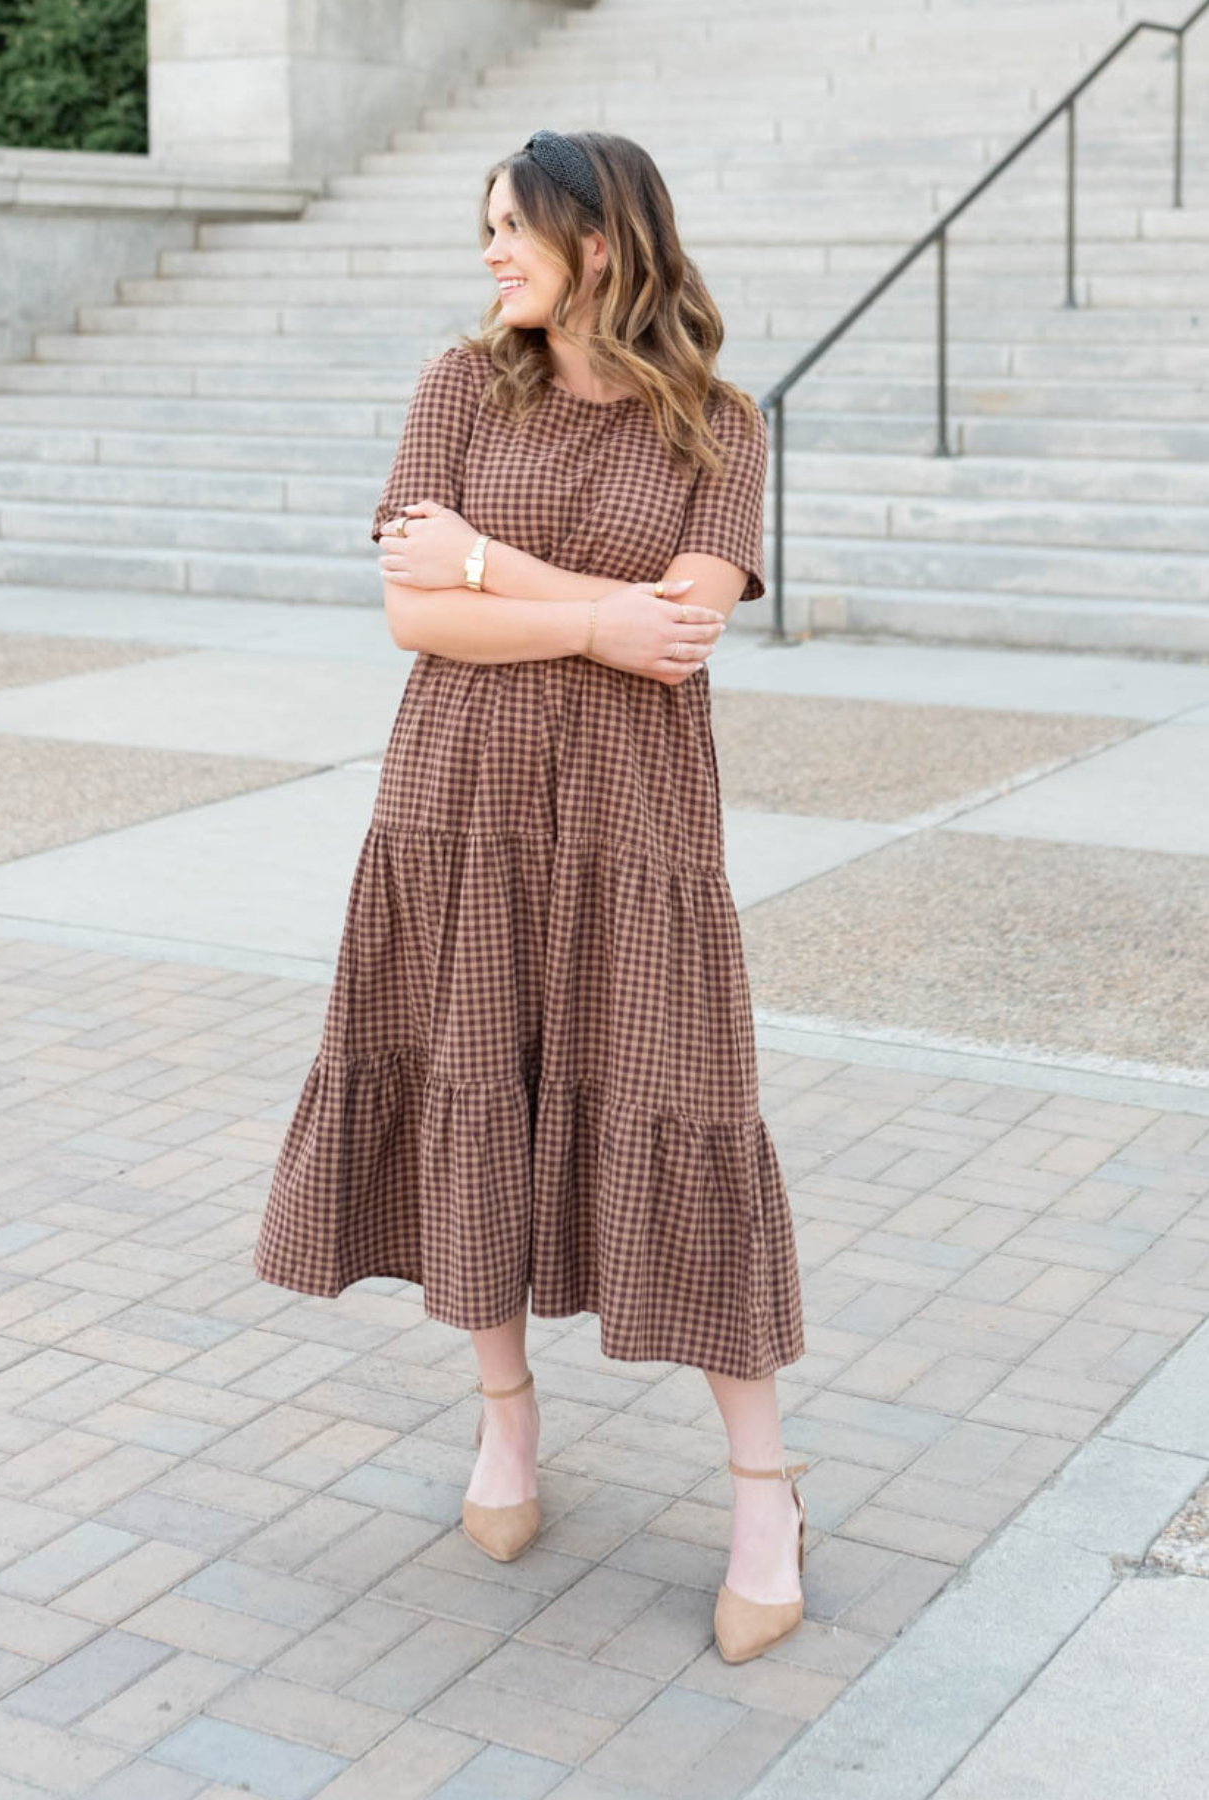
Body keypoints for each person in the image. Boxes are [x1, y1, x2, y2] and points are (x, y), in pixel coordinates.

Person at [254, 128, 808, 1663]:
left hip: (636, 829)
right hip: (460, 807)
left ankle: (762, 1492)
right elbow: (404, 613)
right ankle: (505, 1422)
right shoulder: (456, 385)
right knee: (468, 1082)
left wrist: (492, 568)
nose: (491, 252)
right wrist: (584, 619)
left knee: (682, 1101)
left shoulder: (718, 424)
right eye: (485, 226)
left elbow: (679, 634)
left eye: (516, 229)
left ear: (606, 244)